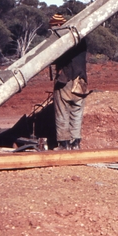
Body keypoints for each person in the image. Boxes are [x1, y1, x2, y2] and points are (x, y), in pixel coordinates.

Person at [50, 14, 88, 150]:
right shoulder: (81, 38)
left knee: (62, 111)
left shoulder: (62, 40)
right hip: (81, 80)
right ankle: (75, 143)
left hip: (65, 80)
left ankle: (63, 143)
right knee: (76, 112)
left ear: (58, 26)